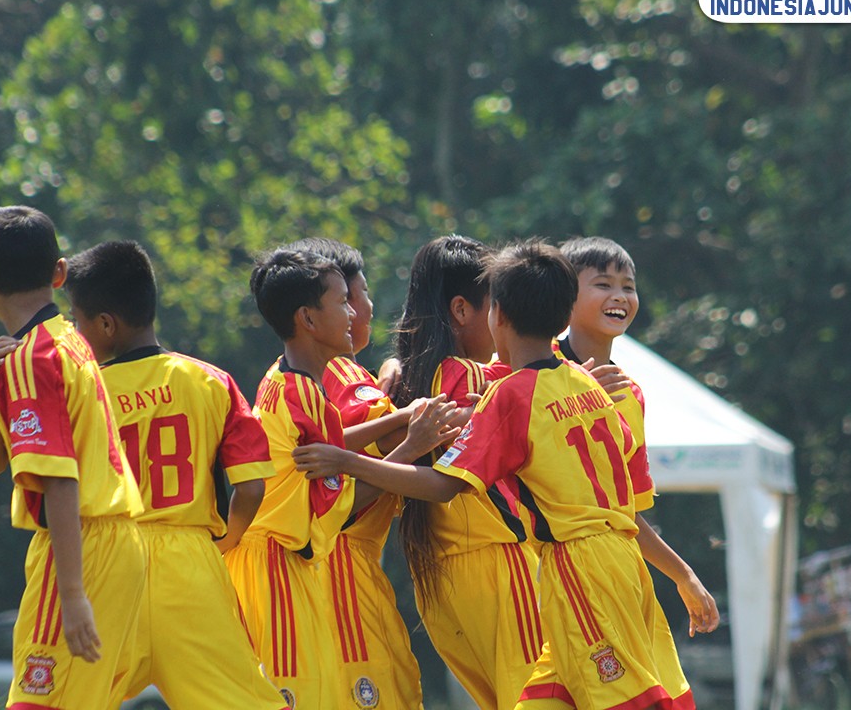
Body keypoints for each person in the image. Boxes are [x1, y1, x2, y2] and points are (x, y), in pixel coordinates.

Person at [293, 240, 683, 709]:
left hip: (479, 572)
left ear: (500, 315)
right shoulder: (542, 383)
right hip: (529, 565)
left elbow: (440, 474)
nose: (366, 309)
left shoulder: (441, 385)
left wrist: (354, 447)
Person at [63, 240, 289, 709]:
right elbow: (250, 485)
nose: (73, 329)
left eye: (76, 319)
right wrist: (226, 541)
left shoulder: (80, 389)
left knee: (62, 697)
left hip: (105, 561)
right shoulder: (211, 380)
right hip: (191, 565)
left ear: (105, 325)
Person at [518, 237, 719, 707]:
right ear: (564, 298)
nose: (620, 296)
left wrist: (682, 575)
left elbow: (623, 514)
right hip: (562, 570)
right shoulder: (529, 371)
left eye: (628, 286)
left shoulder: (630, 394)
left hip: (612, 575)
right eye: (603, 284)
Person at [0, 206, 147, 710]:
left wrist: (73, 594)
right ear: (59, 273)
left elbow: (60, 480)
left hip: (79, 545)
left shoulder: (30, 359)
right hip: (116, 542)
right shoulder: (67, 341)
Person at [389, 235, 541, 709]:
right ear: (461, 310)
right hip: (498, 563)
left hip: (438, 575)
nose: (504, 320)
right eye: (497, 305)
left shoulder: (405, 380)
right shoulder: (477, 378)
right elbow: (541, 378)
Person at [285, 237, 423, 710]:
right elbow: (350, 489)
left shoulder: (296, 375)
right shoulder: (345, 378)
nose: (360, 309)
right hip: (341, 570)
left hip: (313, 571)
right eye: (352, 297)